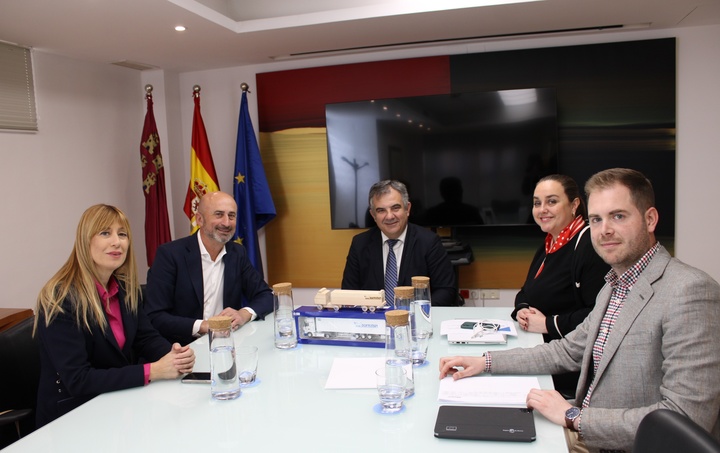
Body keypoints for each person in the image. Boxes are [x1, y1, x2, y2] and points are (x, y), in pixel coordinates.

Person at [439, 168, 720, 452]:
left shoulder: (689, 290)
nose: (604, 230)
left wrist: (574, 416)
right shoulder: (615, 284)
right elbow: (567, 351)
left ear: (650, 219)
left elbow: (686, 419)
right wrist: (484, 362)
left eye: (618, 216)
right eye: (596, 219)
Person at [34, 204, 195, 428]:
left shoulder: (124, 289)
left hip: (117, 403)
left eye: (122, 234)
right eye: (105, 233)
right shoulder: (60, 299)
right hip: (72, 417)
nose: (116, 242)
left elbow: (145, 337)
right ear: (85, 240)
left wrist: (174, 354)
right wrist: (153, 370)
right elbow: (79, 380)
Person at [512, 174, 609, 397]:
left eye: (552, 201)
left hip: (569, 367)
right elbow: (526, 291)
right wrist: (522, 310)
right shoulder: (550, 243)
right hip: (542, 349)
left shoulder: (588, 246)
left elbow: (599, 315)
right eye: (537, 203)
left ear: (574, 205)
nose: (542, 209)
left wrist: (547, 323)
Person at [145, 191, 273, 345]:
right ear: (199, 219)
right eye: (219, 214)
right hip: (182, 348)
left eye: (231, 216)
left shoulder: (237, 253)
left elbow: (266, 295)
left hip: (226, 344)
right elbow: (155, 316)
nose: (226, 223)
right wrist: (204, 326)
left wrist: (243, 314)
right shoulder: (170, 254)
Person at [341, 180, 458, 306]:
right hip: (373, 321)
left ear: (407, 209)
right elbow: (349, 292)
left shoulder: (429, 242)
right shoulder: (360, 244)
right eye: (381, 210)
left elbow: (446, 291)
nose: (389, 216)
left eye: (395, 208)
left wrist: (413, 312)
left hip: (415, 320)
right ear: (373, 215)